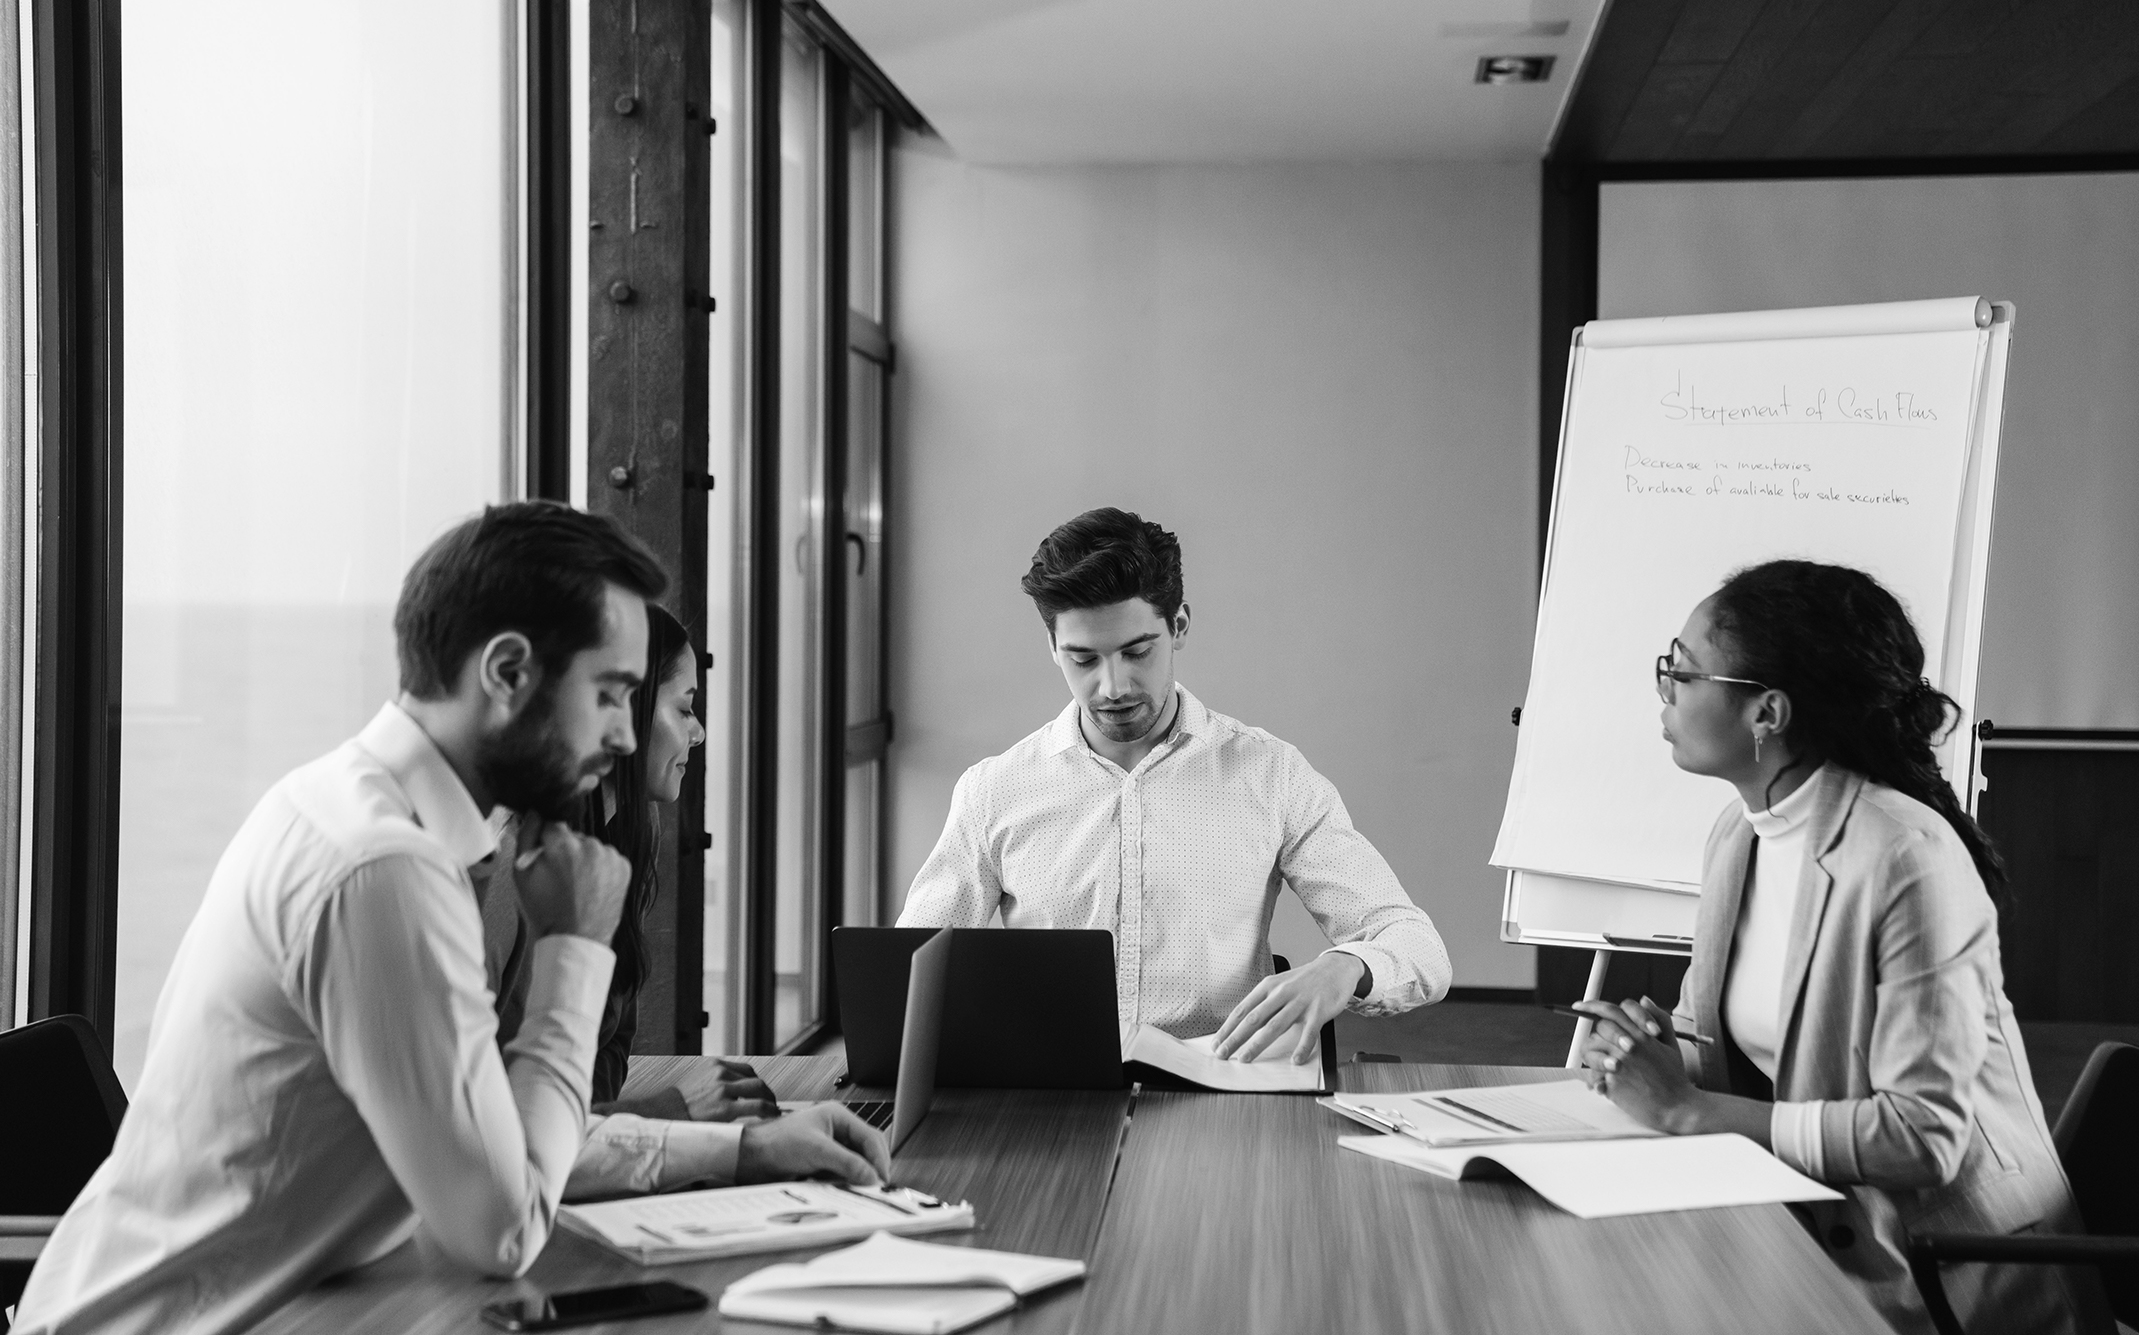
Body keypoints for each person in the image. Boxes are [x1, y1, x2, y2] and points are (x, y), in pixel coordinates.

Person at [14, 502, 887, 1335]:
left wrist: (747, 1152)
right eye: (613, 693)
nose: (625, 736)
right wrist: (574, 948)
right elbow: (502, 1227)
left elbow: (488, 1142)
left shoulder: (360, 812)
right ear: (507, 673)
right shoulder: (383, 867)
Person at [1575, 559, 2108, 1335]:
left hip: (1964, 1280)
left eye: (1681, 673)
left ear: (1768, 712)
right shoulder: (1739, 831)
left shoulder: (1904, 858)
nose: (1665, 692)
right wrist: (1651, 1054)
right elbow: (1716, 1040)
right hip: (1830, 1241)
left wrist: (1689, 1111)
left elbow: (1922, 1135)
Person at [898, 507, 1450, 1065]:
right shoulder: (995, 790)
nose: (1112, 686)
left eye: (1137, 652)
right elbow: (907, 971)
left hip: (1220, 1092)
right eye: (1083, 659)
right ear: (1052, 646)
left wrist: (1346, 966)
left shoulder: (1271, 775)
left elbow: (1416, 947)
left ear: (1179, 626)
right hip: (1053, 1093)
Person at [477, 602, 783, 1199]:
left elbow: (598, 1079)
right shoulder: (507, 875)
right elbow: (480, 1137)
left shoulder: (617, 851)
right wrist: (673, 1112)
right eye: (685, 707)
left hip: (575, 1184)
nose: (697, 732)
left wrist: (669, 1125)